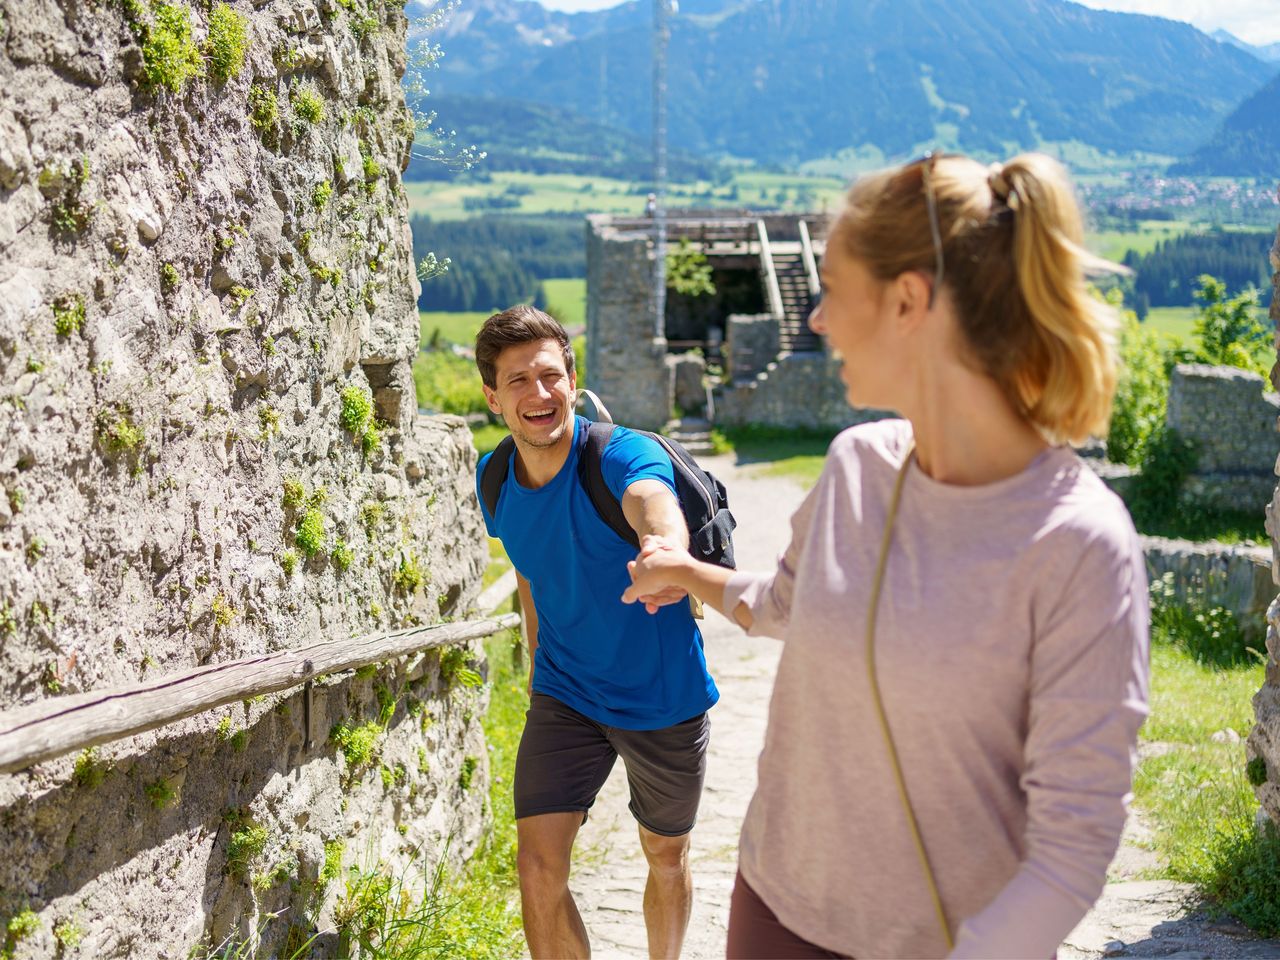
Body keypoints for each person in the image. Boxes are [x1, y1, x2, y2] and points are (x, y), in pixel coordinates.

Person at [622, 152, 1150, 958]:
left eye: (833, 289)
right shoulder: (856, 465)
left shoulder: (1079, 543)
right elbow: (793, 605)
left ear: (909, 301)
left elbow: (1075, 846)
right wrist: (685, 572)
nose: (818, 321)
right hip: (774, 908)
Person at [473, 305, 719, 959]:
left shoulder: (618, 453)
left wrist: (666, 549)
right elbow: (531, 570)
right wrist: (534, 662)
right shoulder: (493, 479)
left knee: (665, 854)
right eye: (518, 380)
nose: (540, 394)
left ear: (573, 381)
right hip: (566, 694)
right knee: (537, 871)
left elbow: (652, 500)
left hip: (661, 695)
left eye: (551, 375)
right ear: (491, 395)